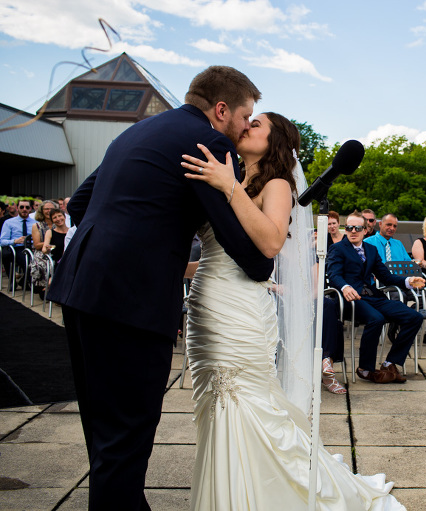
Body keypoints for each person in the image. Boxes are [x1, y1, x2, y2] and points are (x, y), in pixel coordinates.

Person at [47, 65, 268, 510]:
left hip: (80, 285)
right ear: (221, 110)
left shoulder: (138, 130)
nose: (246, 125)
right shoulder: (209, 143)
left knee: (105, 432)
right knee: (127, 434)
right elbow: (250, 255)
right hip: (131, 299)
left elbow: (82, 203)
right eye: (246, 115)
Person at [181, 113, 405, 509]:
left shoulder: (277, 184)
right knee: (216, 406)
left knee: (243, 401)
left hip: (242, 310)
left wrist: (228, 186)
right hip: (208, 301)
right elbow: (223, 251)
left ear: (276, 141)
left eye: (258, 123)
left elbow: (269, 243)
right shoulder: (229, 174)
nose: (247, 124)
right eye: (247, 120)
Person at [327, 212, 426, 384]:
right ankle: (366, 368)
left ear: (365, 230)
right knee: (377, 319)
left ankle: (390, 363)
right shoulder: (337, 248)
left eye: (357, 228)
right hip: (350, 299)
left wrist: (409, 281)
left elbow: (386, 277)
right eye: (349, 227)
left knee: (414, 317)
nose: (352, 231)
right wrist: (345, 287)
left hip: (373, 296)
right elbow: (333, 274)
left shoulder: (371, 250)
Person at [0, 199, 35, 283]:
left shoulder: (35, 223)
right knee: (25, 261)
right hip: (17, 248)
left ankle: (24, 282)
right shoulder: (9, 222)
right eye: (22, 207)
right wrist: (15, 241)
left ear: (30, 209)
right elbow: (2, 241)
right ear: (17, 208)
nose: (24, 209)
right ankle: (13, 281)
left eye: (27, 207)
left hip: (32, 247)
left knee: (33, 262)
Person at [29, 200, 59, 294]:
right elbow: (37, 245)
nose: (49, 211)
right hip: (42, 252)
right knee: (46, 264)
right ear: (41, 211)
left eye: (51, 209)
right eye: (46, 209)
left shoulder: (58, 223)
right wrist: (50, 241)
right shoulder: (37, 225)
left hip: (57, 250)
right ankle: (44, 286)